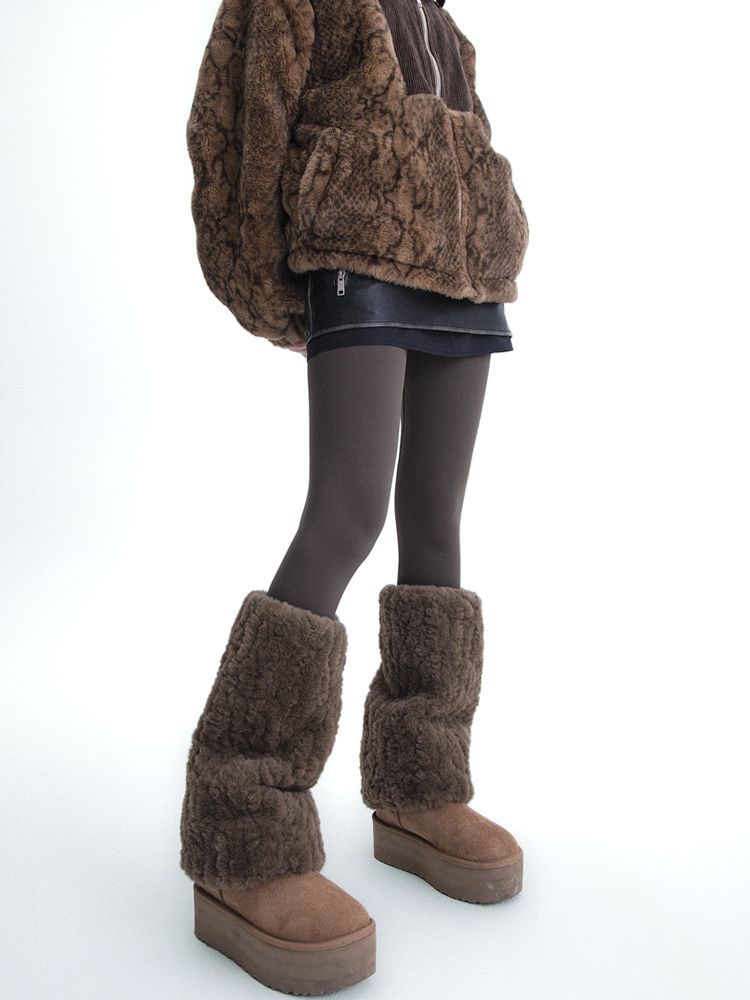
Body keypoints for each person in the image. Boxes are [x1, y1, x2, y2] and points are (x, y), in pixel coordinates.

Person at [179, 0, 529, 993]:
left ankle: (420, 785)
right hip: (358, 247)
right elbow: (237, 122)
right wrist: (264, 285)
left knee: (436, 521)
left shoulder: (441, 15)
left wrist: (495, 214)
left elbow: (460, 107)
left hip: (466, 266)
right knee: (347, 511)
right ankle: (242, 822)